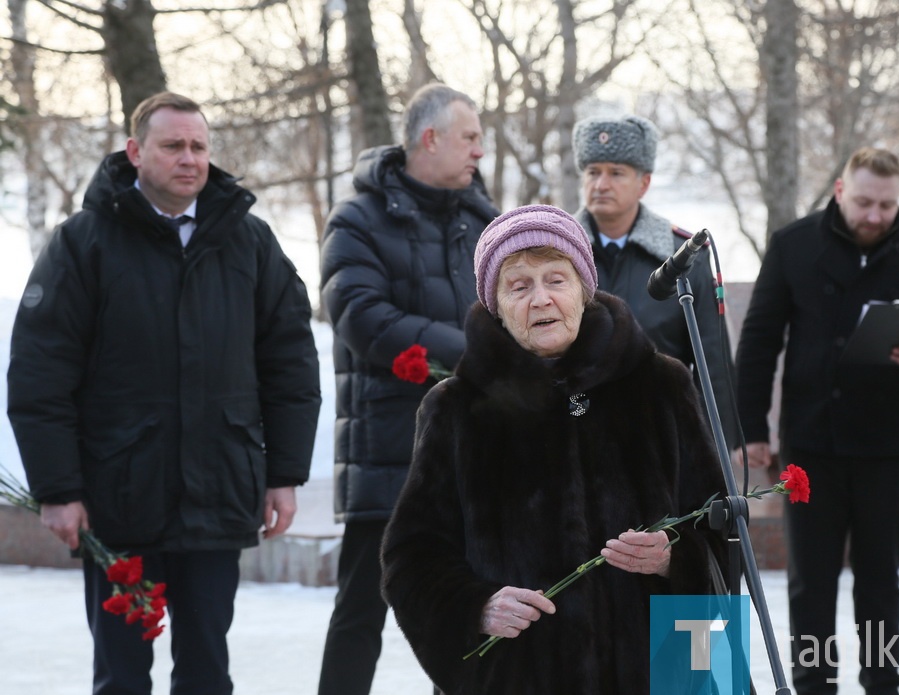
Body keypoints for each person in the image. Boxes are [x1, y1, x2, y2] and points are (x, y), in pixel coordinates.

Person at [7, 91, 321, 694]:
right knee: (122, 676)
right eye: (173, 145)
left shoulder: (250, 243)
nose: (189, 158)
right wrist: (58, 489)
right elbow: (40, 373)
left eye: (199, 146)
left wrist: (283, 474)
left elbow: (291, 364)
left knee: (207, 671)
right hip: (119, 500)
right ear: (135, 152)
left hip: (218, 495)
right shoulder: (83, 244)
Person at [380, 204, 730, 694]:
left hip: (659, 673)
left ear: (584, 289)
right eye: (519, 286)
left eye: (556, 280)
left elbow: (722, 528)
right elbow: (411, 559)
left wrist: (676, 557)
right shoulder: (457, 409)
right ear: (496, 305)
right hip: (521, 674)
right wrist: (475, 607)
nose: (541, 299)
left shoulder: (659, 385)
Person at [734, 147, 899, 695]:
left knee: (880, 582)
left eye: (887, 206)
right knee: (810, 583)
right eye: (865, 201)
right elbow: (758, 342)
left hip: (887, 443)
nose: (875, 215)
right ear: (841, 191)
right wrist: (751, 429)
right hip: (811, 443)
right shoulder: (794, 245)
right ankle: (813, 684)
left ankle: (883, 681)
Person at [317, 82, 500, 695]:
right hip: (389, 451)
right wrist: (472, 352)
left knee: (470, 612)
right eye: (469, 137)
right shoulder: (358, 218)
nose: (479, 150)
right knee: (360, 613)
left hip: (474, 453)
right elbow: (361, 316)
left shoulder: (484, 218)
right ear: (431, 139)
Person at [571, 114, 739, 452]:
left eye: (616, 173)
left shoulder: (683, 257)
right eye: (592, 172)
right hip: (574, 436)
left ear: (644, 183)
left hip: (660, 440)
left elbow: (712, 365)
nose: (601, 184)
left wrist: (716, 452)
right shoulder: (558, 253)